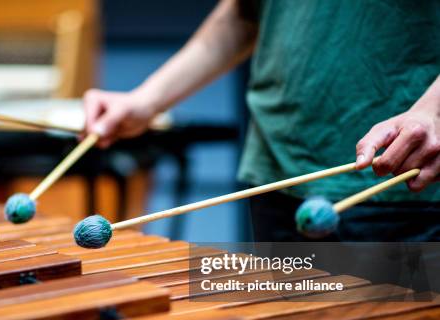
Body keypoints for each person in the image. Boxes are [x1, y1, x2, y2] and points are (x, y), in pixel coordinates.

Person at [82, 0, 439, 242]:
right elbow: (243, 13)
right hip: (275, 173)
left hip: (399, 179)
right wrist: (146, 101)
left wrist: (433, 111)